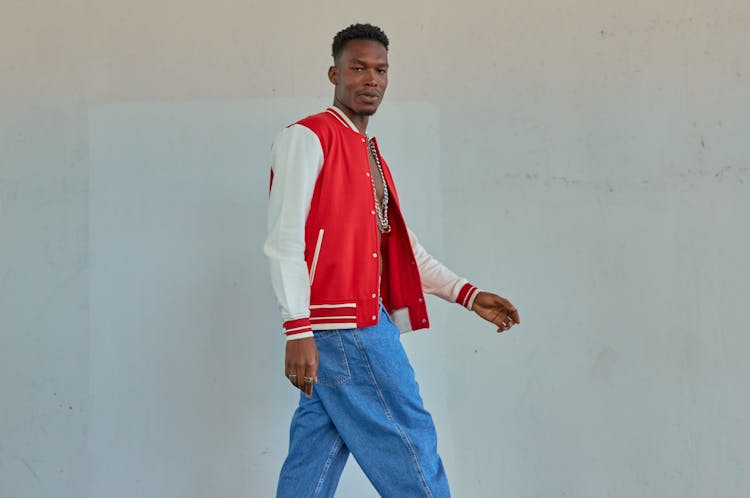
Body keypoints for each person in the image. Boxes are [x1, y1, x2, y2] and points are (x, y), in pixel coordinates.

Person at [264, 23, 520, 498]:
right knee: (409, 440)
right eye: (358, 68)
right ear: (334, 73)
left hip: (354, 322)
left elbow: (400, 249)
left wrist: (467, 294)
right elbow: (284, 241)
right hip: (347, 324)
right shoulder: (308, 136)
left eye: (380, 70)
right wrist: (297, 329)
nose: (371, 79)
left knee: (314, 456)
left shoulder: (368, 153)